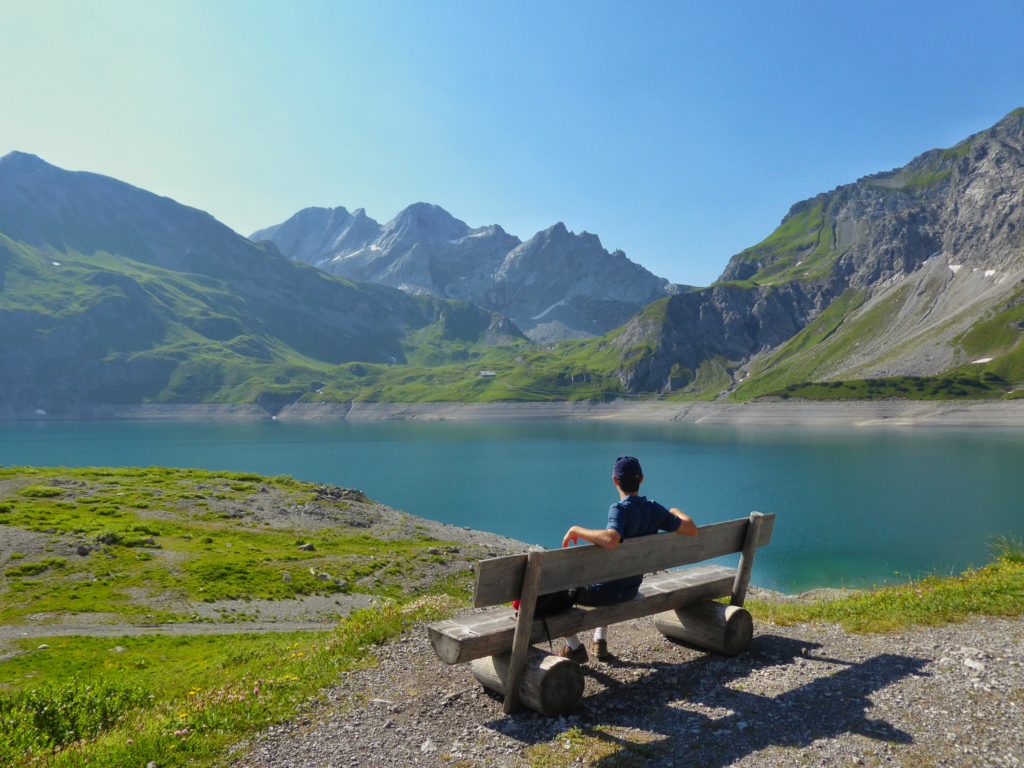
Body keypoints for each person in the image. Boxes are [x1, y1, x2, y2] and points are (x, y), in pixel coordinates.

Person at [559, 455, 697, 662]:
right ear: (641, 479)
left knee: (554, 591)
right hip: (630, 589)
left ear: (615, 481)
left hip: (605, 593)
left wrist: (576, 530)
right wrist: (675, 511)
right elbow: (691, 529)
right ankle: (600, 639)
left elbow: (612, 539)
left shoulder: (619, 509)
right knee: (609, 571)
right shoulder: (654, 509)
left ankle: (574, 646)